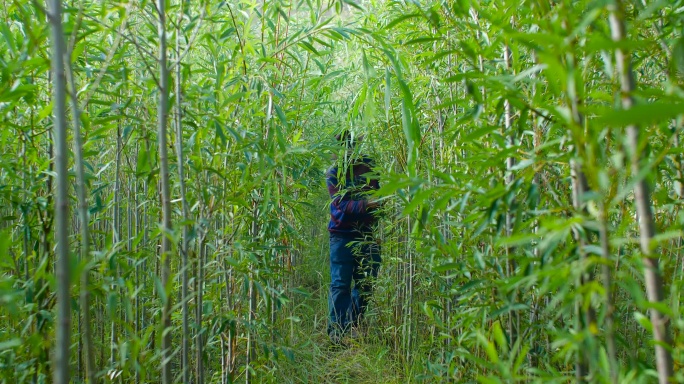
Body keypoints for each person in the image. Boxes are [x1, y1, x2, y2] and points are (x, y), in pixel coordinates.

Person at [325, 130, 381, 344]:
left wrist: (376, 219)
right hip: (341, 234)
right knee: (340, 284)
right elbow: (341, 204)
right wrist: (366, 204)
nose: (348, 150)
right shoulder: (333, 172)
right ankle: (336, 334)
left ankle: (353, 324)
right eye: (344, 146)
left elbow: (379, 195)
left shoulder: (369, 166)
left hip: (366, 233)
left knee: (366, 281)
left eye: (351, 145)